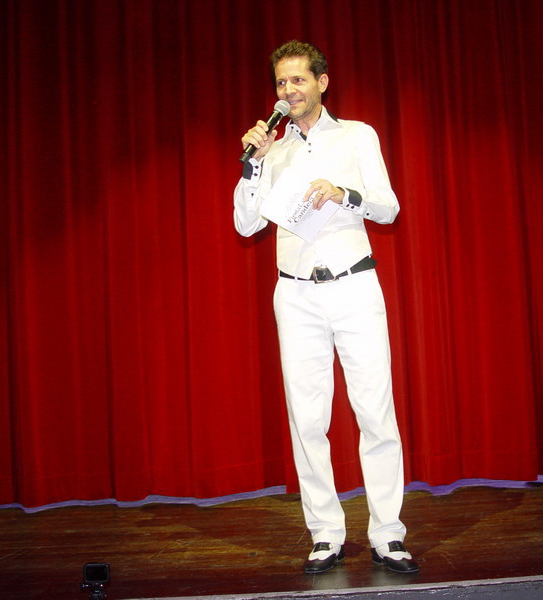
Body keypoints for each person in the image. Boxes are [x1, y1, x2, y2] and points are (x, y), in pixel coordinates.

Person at [233, 40, 418, 575]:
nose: (288, 91)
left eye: (298, 80)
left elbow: (388, 208)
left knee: (375, 412)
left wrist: (343, 194)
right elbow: (245, 225)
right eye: (281, 83)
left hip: (354, 286)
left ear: (322, 82)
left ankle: (387, 533)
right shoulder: (273, 151)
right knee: (307, 418)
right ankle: (325, 533)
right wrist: (252, 166)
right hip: (296, 294)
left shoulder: (358, 136)